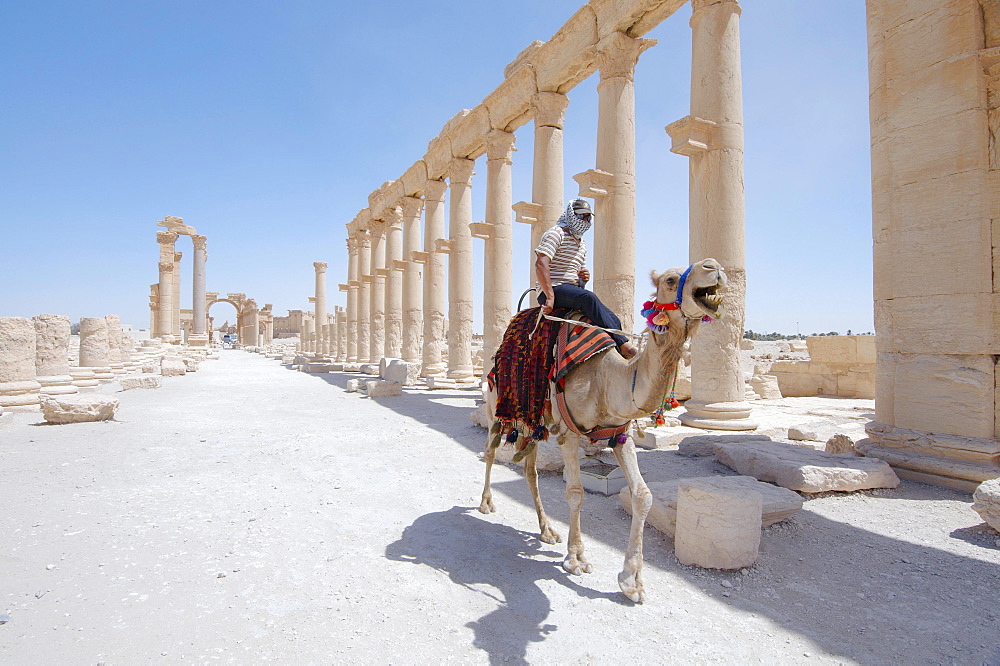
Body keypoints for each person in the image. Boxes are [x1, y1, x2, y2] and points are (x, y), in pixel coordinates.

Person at [534, 199, 638, 359]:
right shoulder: (556, 233)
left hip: (569, 291)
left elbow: (578, 284)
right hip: (552, 289)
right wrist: (549, 296)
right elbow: (541, 264)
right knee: (588, 298)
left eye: (588, 218)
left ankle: (615, 356)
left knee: (613, 319)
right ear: (570, 215)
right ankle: (624, 345)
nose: (585, 221)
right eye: (581, 217)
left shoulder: (581, 245)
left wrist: (583, 279)